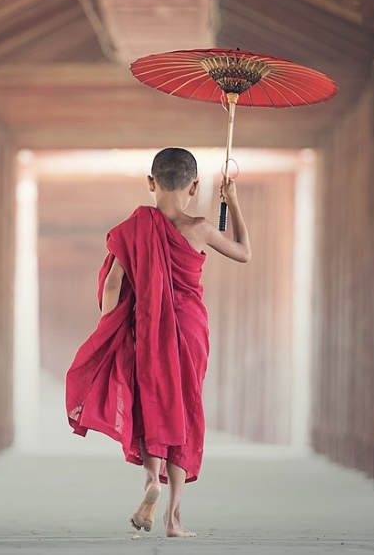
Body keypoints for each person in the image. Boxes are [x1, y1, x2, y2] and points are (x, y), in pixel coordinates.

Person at [65, 147, 251, 538]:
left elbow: (114, 282)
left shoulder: (135, 226)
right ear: (195, 185)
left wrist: (109, 327)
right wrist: (232, 202)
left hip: (147, 328)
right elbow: (243, 253)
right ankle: (174, 518)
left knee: (153, 402)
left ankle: (151, 480)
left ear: (151, 183)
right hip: (191, 330)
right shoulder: (201, 227)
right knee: (184, 408)